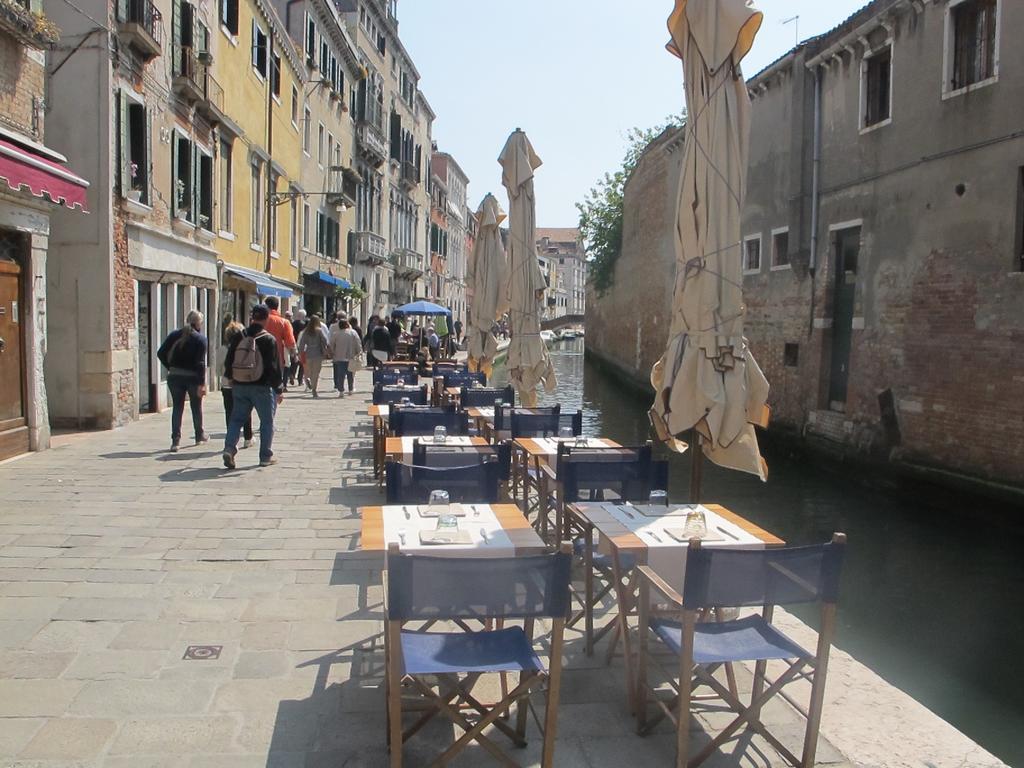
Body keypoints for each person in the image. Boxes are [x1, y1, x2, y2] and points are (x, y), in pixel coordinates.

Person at [222, 304, 283, 468]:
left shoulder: (239, 336)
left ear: (252, 318)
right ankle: (265, 456)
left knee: (236, 419)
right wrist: (278, 388)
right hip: (262, 387)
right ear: (266, 319)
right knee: (266, 422)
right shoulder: (268, 339)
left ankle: (229, 448)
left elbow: (229, 359)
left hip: (240, 384)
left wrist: (230, 377)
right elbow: (273, 367)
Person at [156, 309, 208, 453]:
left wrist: (170, 367)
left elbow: (160, 353)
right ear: (198, 323)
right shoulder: (200, 339)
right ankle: (199, 436)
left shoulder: (174, 335)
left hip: (175, 376)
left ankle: (175, 441)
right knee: (196, 407)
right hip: (192, 377)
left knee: (177, 408)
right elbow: (200, 363)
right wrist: (202, 383)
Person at [221, 319, 253, 449]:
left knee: (229, 412)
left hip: (227, 384)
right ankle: (248, 438)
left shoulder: (222, 349)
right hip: (243, 384)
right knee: (245, 411)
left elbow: (219, 368)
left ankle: (231, 440)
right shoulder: (246, 348)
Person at [262, 296, 297, 392]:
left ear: (266, 306)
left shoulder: (260, 320)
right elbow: (290, 342)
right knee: (275, 385)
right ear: (277, 307)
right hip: (277, 357)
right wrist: (294, 355)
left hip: (259, 357)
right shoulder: (284, 322)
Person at [297, 314, 330, 397]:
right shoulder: (319, 330)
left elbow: (302, 343)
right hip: (318, 353)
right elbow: (325, 340)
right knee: (316, 372)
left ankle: (308, 379)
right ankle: (314, 389)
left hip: (308, 353)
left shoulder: (306, 331)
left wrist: (300, 353)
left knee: (310, 370)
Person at [328, 318, 363, 396]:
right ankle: (350, 389)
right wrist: (359, 352)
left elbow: (331, 345)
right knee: (350, 374)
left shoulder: (335, 334)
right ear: (347, 325)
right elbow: (358, 343)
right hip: (351, 356)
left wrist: (332, 353)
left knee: (340, 374)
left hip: (339, 357)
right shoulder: (353, 333)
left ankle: (341, 390)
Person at [289, 309, 309, 388]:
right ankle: (300, 380)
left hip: (293, 343)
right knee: (302, 364)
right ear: (304, 316)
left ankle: (292, 374)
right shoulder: (303, 324)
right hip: (302, 345)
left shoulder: (292, 324)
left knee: (294, 362)